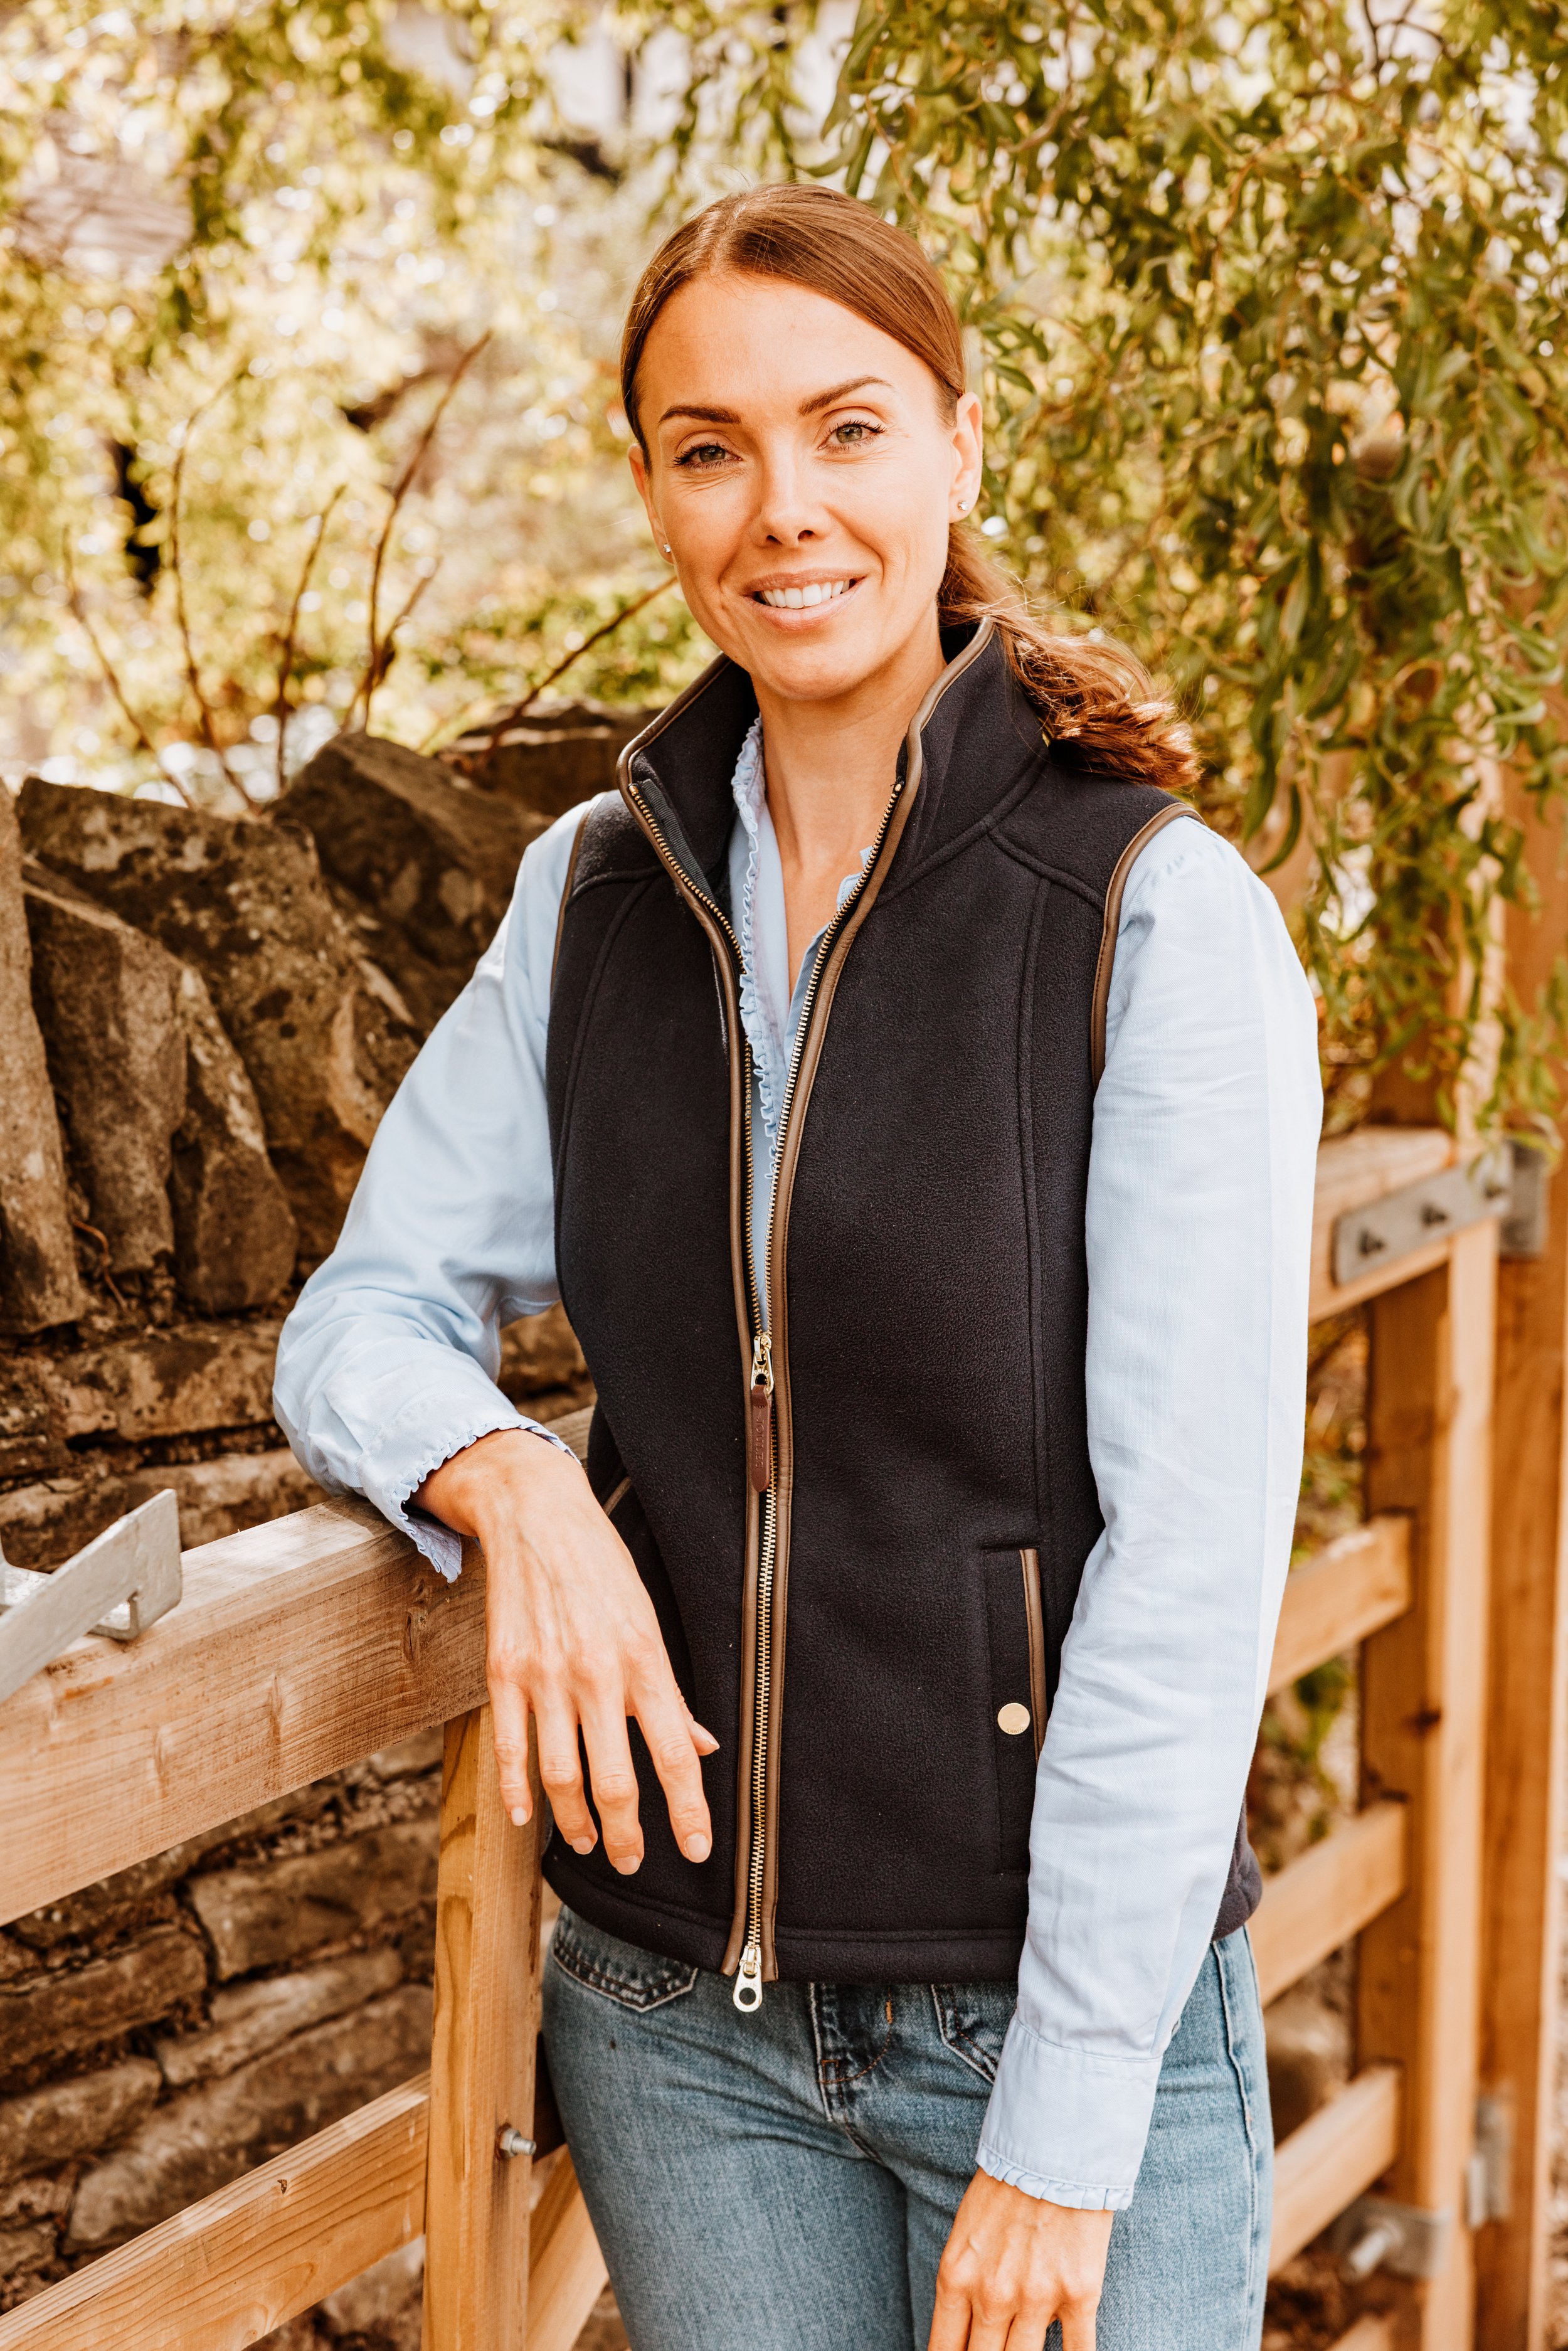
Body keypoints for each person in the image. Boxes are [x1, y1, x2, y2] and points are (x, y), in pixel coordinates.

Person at [275, 183, 1321, 2351]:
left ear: (959, 444)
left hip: (1036, 2019)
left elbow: (1192, 1557)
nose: (784, 510)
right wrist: (511, 1480)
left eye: (845, 429)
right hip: (675, 2025)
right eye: (708, 445)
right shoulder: (593, 890)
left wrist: (1063, 2114)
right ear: (652, 486)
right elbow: (363, 1314)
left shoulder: (1149, 916)